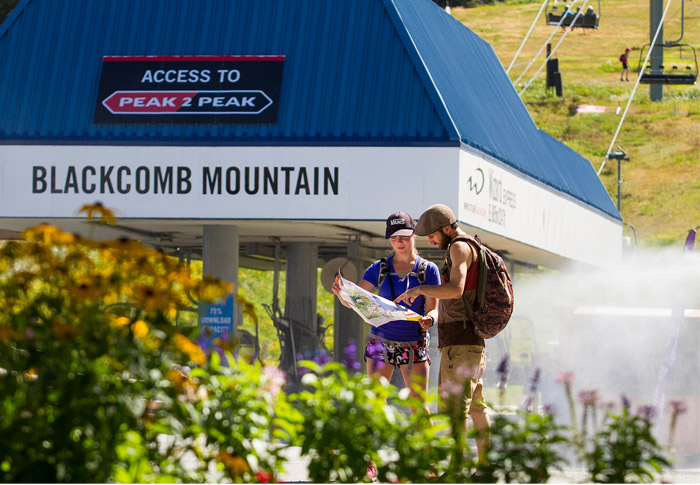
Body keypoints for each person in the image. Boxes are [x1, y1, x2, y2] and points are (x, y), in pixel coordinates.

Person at [394, 204, 491, 463]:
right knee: (477, 408)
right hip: (470, 343)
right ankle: (485, 467)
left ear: (447, 229)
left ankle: (457, 471)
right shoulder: (472, 245)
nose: (431, 240)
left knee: (454, 410)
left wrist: (420, 289)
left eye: (434, 235)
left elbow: (456, 289)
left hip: (460, 345)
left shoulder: (459, 247)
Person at [332, 212, 440, 407]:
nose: (399, 242)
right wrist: (342, 295)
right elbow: (356, 301)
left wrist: (430, 320)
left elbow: (433, 310)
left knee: (419, 406)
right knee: (374, 405)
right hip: (380, 342)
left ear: (414, 234)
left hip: (414, 343)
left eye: (404, 237)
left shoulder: (428, 269)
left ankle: (424, 438)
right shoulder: (378, 268)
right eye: (393, 238)